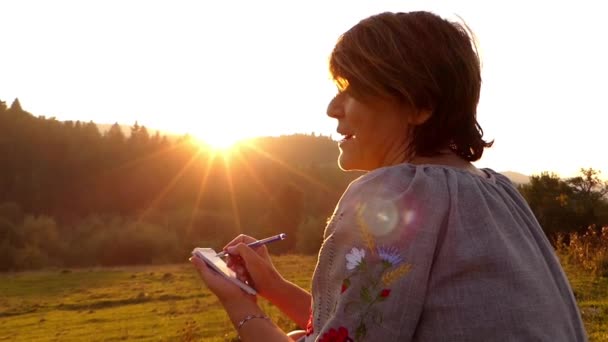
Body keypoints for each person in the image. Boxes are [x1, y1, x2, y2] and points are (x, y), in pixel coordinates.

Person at [190, 11, 587, 341]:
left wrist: (237, 303)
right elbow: (368, 319)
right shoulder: (499, 191)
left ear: (419, 105)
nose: (332, 107)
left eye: (353, 89)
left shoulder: (394, 193)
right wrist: (273, 287)